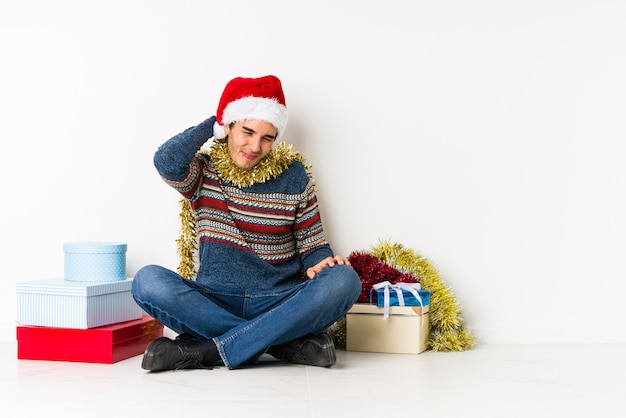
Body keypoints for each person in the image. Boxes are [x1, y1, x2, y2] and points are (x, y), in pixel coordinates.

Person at [132, 75, 362, 371]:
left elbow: (313, 245)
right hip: (214, 300)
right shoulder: (203, 171)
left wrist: (322, 263)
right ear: (227, 127)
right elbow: (166, 161)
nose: (255, 146)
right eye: (247, 131)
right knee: (147, 281)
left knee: (345, 280)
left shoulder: (294, 175)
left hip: (279, 300)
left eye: (268, 137)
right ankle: (280, 342)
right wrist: (212, 123)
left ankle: (208, 351)